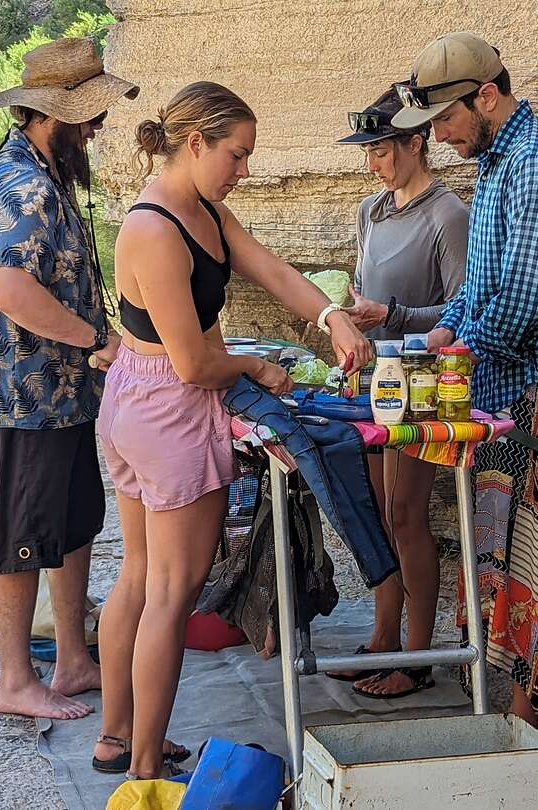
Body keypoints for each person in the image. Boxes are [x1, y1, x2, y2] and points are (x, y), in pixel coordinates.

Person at [90, 81, 372, 780]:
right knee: (169, 592)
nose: (244, 170)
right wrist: (260, 367)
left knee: (140, 576)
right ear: (196, 144)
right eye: (236, 155)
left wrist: (331, 317)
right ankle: (147, 770)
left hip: (138, 404)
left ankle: (118, 736)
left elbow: (271, 269)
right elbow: (194, 364)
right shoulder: (154, 229)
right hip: (166, 411)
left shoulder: (205, 210)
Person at [394, 32, 538, 723]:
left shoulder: (536, 164)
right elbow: (482, 287)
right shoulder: (497, 160)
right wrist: (444, 331)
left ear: (486, 96)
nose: (442, 136)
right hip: (504, 386)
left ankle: (521, 722)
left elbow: (525, 296)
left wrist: (457, 347)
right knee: (500, 554)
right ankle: (508, 712)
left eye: (446, 120)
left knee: (535, 563)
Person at [0, 38, 136, 721]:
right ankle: (15, 679)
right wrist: (96, 337)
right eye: (91, 115)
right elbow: (11, 288)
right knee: (22, 537)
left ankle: (71, 661)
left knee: (70, 528)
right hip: (25, 398)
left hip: (62, 396)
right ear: (52, 116)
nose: (98, 126)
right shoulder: (25, 185)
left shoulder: (47, 173)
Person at [330, 88, 468, 699]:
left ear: (417, 142)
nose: (373, 164)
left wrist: (393, 313)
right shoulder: (371, 211)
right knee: (383, 512)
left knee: (410, 513)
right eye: (368, 152)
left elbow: (463, 311)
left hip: (427, 377)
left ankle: (418, 655)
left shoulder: (448, 215)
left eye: (382, 150)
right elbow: (364, 286)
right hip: (376, 372)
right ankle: (384, 638)